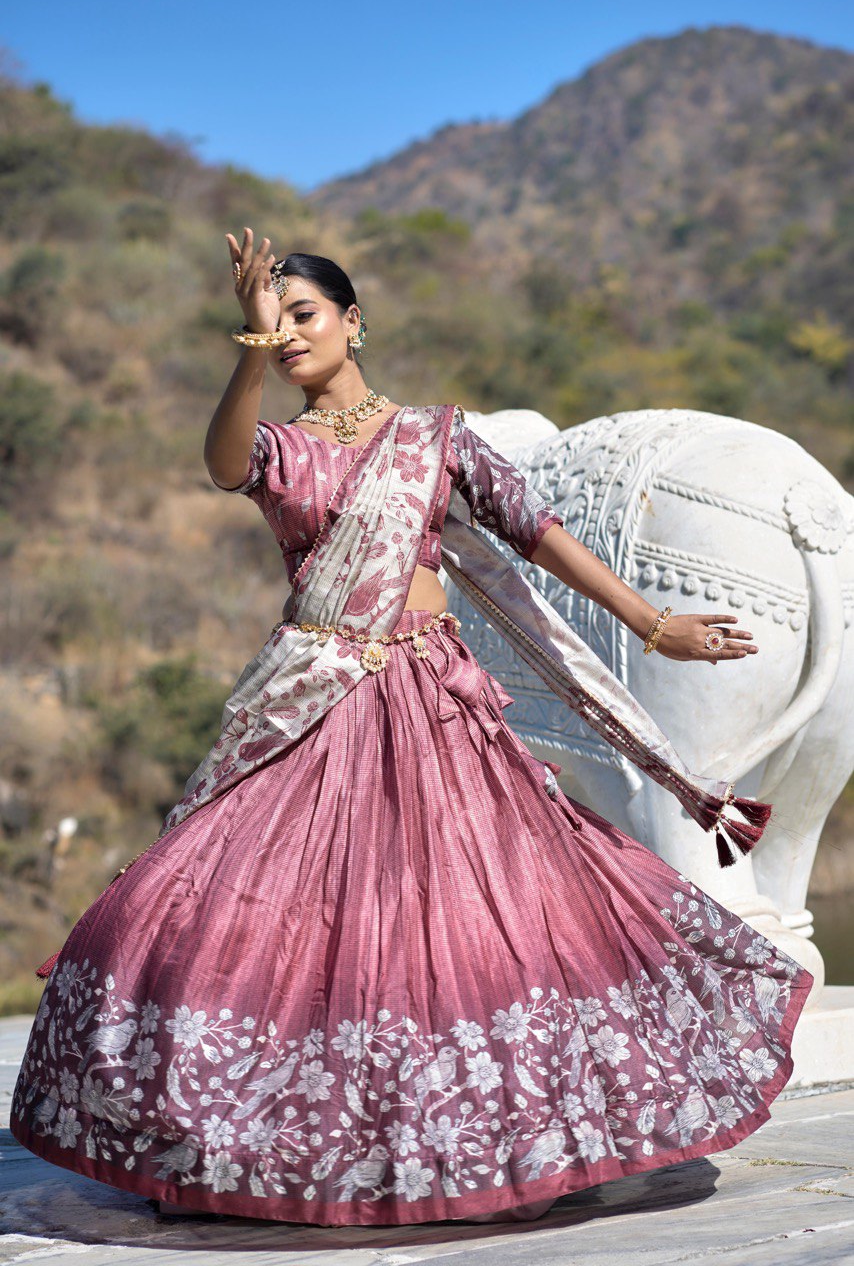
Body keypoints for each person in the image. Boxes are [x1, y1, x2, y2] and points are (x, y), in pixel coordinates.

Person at [9, 232, 814, 1227]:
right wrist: (247, 354)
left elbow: (531, 526)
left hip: (432, 699)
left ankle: (503, 1132)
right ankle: (257, 1135)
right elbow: (222, 463)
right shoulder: (281, 446)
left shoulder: (434, 437)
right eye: (274, 318)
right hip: (313, 703)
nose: (289, 332)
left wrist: (651, 622)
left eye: (304, 314)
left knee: (476, 917)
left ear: (353, 320)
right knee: (235, 909)